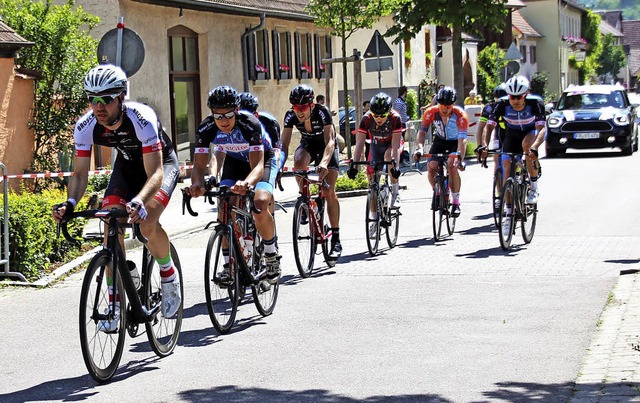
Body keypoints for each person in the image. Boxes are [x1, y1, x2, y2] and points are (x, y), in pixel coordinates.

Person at [52, 64, 181, 332]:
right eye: (93, 100)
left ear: (122, 97)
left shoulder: (142, 117)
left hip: (160, 167)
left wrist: (140, 202)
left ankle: (169, 276)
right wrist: (71, 203)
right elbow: (78, 174)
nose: (99, 107)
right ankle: (115, 302)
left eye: (106, 100)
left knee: (146, 225)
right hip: (126, 168)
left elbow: (155, 172)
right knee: (111, 223)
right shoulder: (86, 126)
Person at [186, 86, 281, 283]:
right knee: (224, 208)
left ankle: (271, 254)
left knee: (260, 203)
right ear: (212, 113)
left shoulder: (250, 124)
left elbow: (257, 167)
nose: (224, 121)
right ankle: (229, 265)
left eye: (228, 115)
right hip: (235, 162)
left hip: (262, 161)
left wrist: (246, 183)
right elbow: (199, 166)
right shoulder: (206, 128)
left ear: (237, 111)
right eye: (218, 116)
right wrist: (197, 185)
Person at [281, 84, 342, 259]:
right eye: (295, 108)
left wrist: (323, 163)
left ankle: (336, 237)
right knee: (299, 161)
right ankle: (305, 200)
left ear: (311, 105)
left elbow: (330, 141)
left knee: (328, 191)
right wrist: (278, 166)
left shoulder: (322, 112)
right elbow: (284, 145)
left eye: (303, 108)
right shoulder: (290, 116)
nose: (299, 112)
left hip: (326, 147)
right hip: (308, 145)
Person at [484, 75, 545, 234]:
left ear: (526, 94)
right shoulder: (502, 104)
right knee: (505, 165)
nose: (515, 100)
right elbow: (489, 127)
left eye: (519, 97)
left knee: (527, 147)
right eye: (512, 97)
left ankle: (533, 186)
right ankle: (509, 215)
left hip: (531, 132)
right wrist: (484, 145)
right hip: (512, 133)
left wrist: (536, 147)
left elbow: (542, 129)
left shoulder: (535, 103)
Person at [349, 93, 403, 235]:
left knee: (388, 156)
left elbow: (396, 146)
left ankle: (395, 192)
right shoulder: (366, 118)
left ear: (389, 112)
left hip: (391, 145)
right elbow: (360, 143)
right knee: (372, 182)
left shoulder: (395, 118)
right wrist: (354, 165)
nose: (379, 119)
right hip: (375, 145)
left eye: (382, 116)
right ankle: (373, 217)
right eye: (376, 116)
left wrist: (395, 166)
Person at [413, 86, 468, 218]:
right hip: (440, 141)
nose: (444, 108)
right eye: (441, 105)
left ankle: (455, 202)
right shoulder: (430, 112)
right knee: (431, 167)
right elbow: (422, 132)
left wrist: (459, 157)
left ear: (453, 105)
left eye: (448, 106)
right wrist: (420, 148)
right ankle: (437, 190)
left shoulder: (460, 115)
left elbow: (462, 140)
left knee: (451, 165)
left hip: (455, 142)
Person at [238, 92, 282, 216]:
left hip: (268, 154)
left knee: (265, 190)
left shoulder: (269, 122)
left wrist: (278, 169)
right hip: (244, 157)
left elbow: (277, 150)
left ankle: (270, 217)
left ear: (255, 114)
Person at [476, 83, 508, 210]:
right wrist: (481, 146)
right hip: (499, 135)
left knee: (515, 161)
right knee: (497, 162)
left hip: (514, 134)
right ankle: (500, 196)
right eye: (497, 100)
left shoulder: (513, 106)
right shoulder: (489, 108)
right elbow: (481, 128)